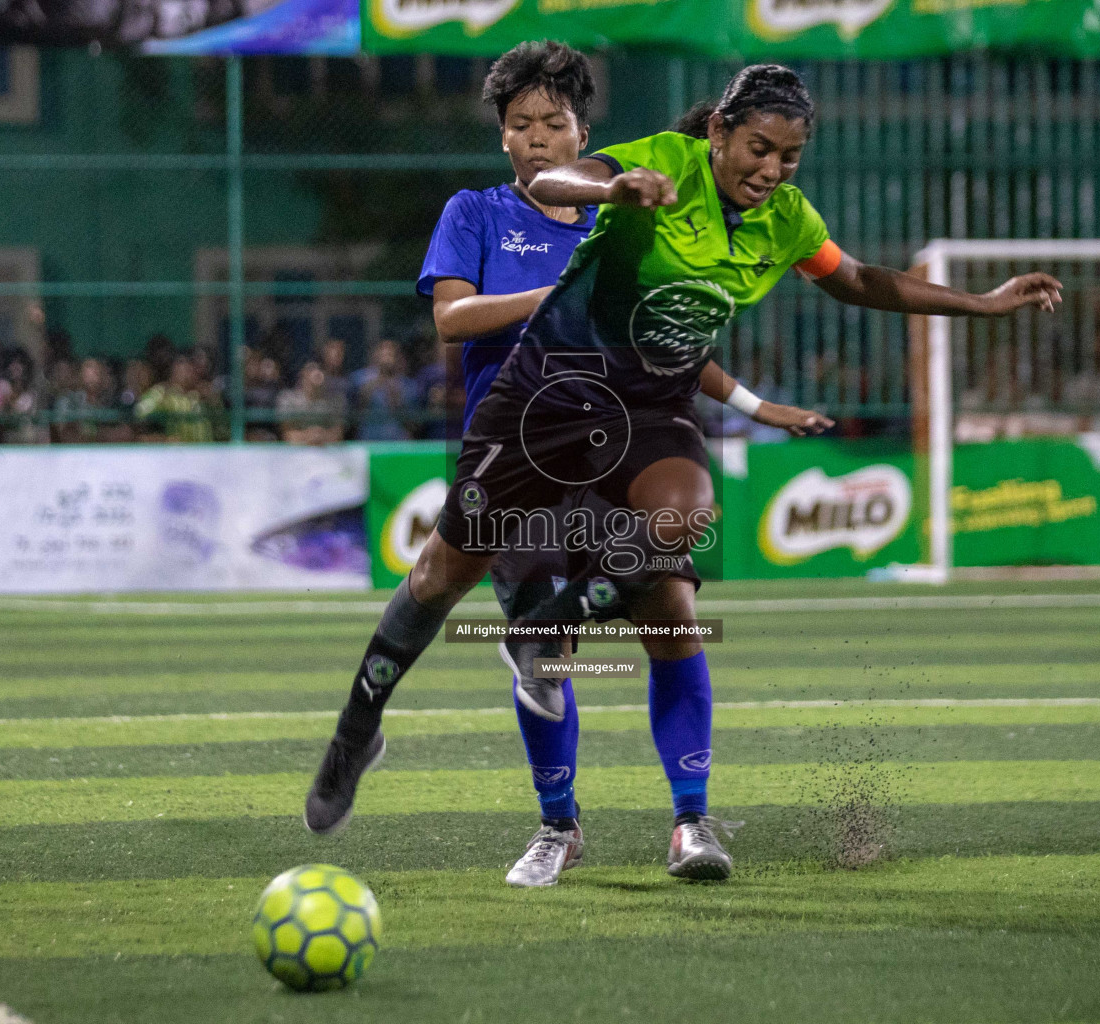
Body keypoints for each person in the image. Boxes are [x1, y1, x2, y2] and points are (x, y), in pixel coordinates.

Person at [304, 63, 1061, 882]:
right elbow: (558, 182)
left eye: (789, 157)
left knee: (678, 548)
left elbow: (860, 280)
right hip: (542, 401)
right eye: (759, 149)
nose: (771, 169)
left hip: (647, 411)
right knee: (437, 577)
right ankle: (361, 730)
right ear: (719, 134)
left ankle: (680, 809)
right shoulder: (652, 163)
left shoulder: (784, 220)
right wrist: (615, 192)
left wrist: (981, 303)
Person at [414, 41, 833, 887]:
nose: (538, 138)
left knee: (670, 610)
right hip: (524, 450)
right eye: (520, 125)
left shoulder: (633, 212)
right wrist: (558, 296)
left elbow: (673, 339)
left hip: (633, 438)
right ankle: (557, 826)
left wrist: (752, 406)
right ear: (502, 137)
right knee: (545, 645)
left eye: (554, 122)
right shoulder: (476, 213)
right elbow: (453, 323)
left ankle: (691, 821)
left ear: (584, 131)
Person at [135, 354, 210, 443]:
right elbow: (140, 410)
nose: (189, 373)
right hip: (177, 451)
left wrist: (212, 400)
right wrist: (162, 400)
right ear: (174, 371)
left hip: (206, 451)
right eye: (185, 369)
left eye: (191, 369)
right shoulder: (162, 391)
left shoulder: (198, 395)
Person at [350, 339, 412, 441]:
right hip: (368, 438)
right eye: (383, 354)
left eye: (390, 355)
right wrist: (370, 388)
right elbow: (354, 410)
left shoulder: (407, 385)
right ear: (375, 356)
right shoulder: (359, 379)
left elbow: (412, 421)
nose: (386, 359)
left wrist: (395, 396)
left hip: (397, 439)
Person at [277, 360, 346, 445]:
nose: (316, 374)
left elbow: (338, 434)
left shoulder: (336, 400)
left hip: (327, 452)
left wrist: (321, 436)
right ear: (302, 375)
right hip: (295, 452)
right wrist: (308, 436)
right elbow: (287, 434)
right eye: (310, 370)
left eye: (320, 370)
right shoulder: (288, 399)